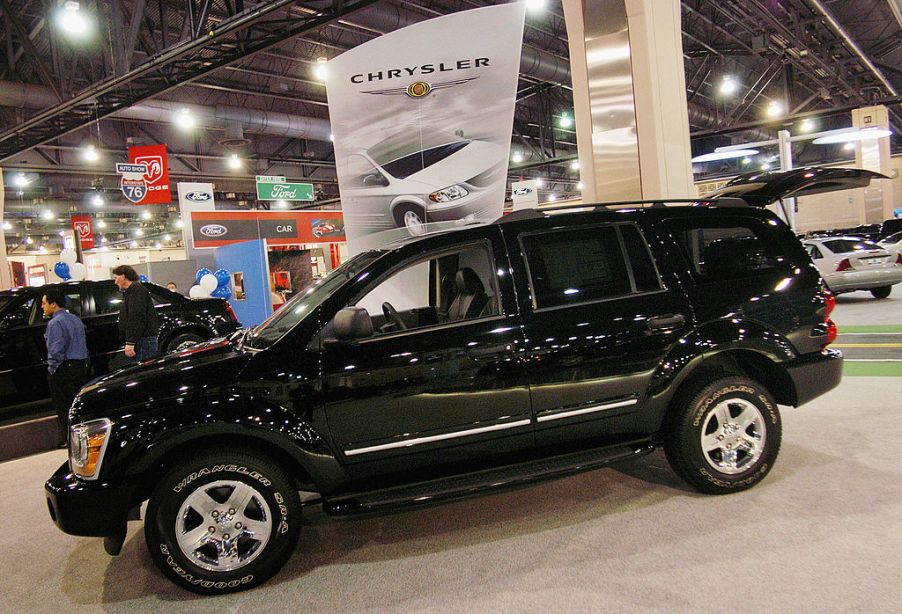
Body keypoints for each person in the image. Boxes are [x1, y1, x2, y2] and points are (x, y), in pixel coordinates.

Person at [42, 289, 89, 448]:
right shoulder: (75, 319)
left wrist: (52, 369)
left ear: (53, 304)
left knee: (64, 407)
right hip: (80, 365)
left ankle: (71, 439)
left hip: (64, 368)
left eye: (44, 303)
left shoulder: (55, 323)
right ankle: (82, 438)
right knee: (77, 405)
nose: (43, 306)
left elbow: (56, 350)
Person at [112, 265, 161, 362]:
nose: (115, 282)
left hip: (143, 342)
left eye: (116, 278)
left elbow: (136, 316)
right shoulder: (132, 291)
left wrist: (130, 342)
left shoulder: (136, 290)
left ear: (123, 276)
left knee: (144, 372)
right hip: (141, 341)